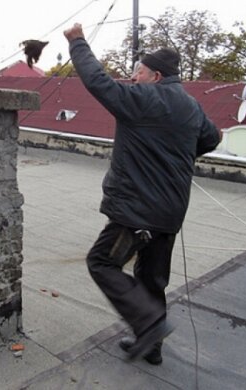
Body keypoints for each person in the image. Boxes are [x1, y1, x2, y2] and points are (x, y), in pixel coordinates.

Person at [63, 23, 220, 363]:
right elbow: (212, 138)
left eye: (140, 71)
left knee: (102, 262)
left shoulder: (142, 100)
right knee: (151, 278)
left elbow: (97, 82)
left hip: (137, 211)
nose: (134, 77)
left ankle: (149, 325)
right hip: (169, 213)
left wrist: (78, 42)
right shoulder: (190, 106)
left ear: (157, 76)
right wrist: (176, 151)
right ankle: (152, 348)